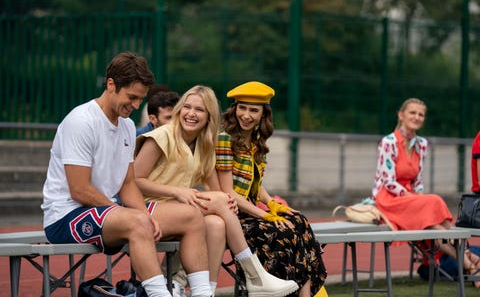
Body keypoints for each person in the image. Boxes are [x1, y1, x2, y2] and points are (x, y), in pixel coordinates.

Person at [41, 52, 213, 297]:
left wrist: (144, 215)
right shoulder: (81, 121)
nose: (135, 106)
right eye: (131, 97)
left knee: (191, 216)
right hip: (66, 216)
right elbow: (79, 189)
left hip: (108, 211)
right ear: (111, 84)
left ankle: (203, 294)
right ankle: (160, 295)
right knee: (137, 221)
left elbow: (128, 183)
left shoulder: (127, 125)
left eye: (140, 99)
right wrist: (135, 216)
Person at [134, 85, 299, 297]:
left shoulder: (204, 144)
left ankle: (205, 292)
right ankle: (255, 275)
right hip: (145, 209)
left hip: (179, 212)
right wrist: (177, 192)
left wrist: (227, 204)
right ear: (179, 110)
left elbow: (216, 190)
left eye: (199, 110)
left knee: (216, 223)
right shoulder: (162, 136)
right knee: (220, 202)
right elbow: (134, 180)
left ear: (209, 115)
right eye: (187, 107)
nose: (191, 114)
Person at [209, 81, 328, 297]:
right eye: (241, 108)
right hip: (233, 215)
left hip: (249, 210)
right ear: (234, 108)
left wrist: (271, 202)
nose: (246, 115)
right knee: (279, 232)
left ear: (263, 114)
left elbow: (255, 184)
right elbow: (230, 193)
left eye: (253, 110)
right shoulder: (225, 138)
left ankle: (306, 293)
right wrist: (266, 215)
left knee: (299, 221)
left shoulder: (256, 140)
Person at [371, 97, 480, 287]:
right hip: (390, 199)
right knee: (433, 203)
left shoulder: (422, 144)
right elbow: (387, 182)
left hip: (411, 198)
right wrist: (415, 198)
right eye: (412, 112)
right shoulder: (388, 142)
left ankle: (468, 264)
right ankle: (469, 261)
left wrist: (418, 197)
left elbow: (418, 181)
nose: (417, 117)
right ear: (401, 115)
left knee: (433, 219)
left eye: (421, 114)